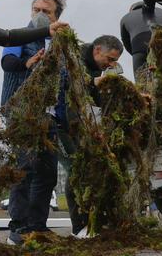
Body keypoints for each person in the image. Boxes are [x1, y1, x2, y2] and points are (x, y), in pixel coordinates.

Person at [0, 0, 66, 245]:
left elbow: (67, 79)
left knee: (47, 173)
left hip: (49, 115)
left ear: (56, 17)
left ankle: (38, 226)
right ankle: (19, 228)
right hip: (22, 112)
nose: (39, 15)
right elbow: (8, 62)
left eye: (46, 12)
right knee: (24, 169)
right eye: (36, 10)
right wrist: (28, 62)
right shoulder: (20, 34)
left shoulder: (60, 44)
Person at [59, 34, 123, 238]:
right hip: (59, 122)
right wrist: (93, 82)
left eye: (115, 61)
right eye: (110, 59)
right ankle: (79, 227)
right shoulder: (73, 58)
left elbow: (95, 100)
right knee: (76, 169)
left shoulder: (98, 68)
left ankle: (95, 223)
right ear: (97, 50)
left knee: (90, 169)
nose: (110, 65)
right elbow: (69, 87)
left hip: (82, 124)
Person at [120, 2, 162, 75]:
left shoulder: (125, 18)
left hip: (138, 48)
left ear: (131, 10)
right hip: (161, 46)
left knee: (141, 81)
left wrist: (136, 53)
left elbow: (126, 41)